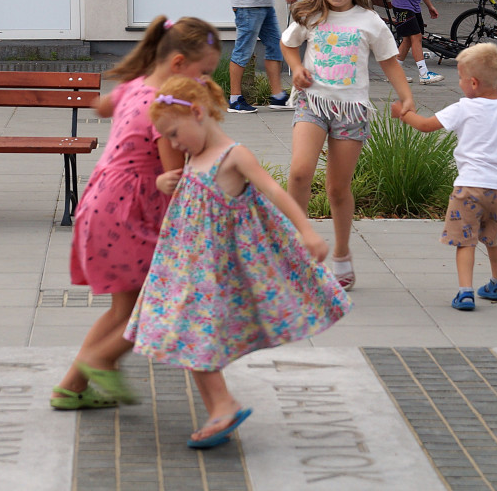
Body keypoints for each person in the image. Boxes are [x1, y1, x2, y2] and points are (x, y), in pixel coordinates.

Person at [126, 74, 350, 449]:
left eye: (174, 133)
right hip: (184, 268)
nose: (173, 143)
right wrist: (167, 180)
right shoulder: (194, 155)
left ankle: (223, 407)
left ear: (197, 113)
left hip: (210, 273)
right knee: (188, 338)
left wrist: (307, 231)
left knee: (193, 337)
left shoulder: (234, 155)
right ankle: (221, 406)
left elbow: (274, 191)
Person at [51, 16, 222, 411]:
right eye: (205, 72)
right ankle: (99, 360)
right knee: (153, 304)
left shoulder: (136, 86)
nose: (206, 79)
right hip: (132, 211)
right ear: (178, 64)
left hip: (103, 202)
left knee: (124, 309)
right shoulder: (169, 106)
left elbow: (102, 106)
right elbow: (173, 174)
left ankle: (70, 387)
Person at [283, 0, 416, 291]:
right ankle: (297, 249)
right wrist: (297, 69)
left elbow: (389, 60)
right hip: (313, 103)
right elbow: (288, 45)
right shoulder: (310, 15)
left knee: (337, 188)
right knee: (299, 172)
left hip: (352, 110)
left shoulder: (369, 21)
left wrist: (407, 97)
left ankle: (341, 252)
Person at [391, 43, 497, 311]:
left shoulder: (463, 108)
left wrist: (404, 114)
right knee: (493, 236)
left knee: (465, 239)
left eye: (459, 78)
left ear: (473, 82)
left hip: (468, 187)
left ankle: (465, 292)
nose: (459, 83)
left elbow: (425, 126)